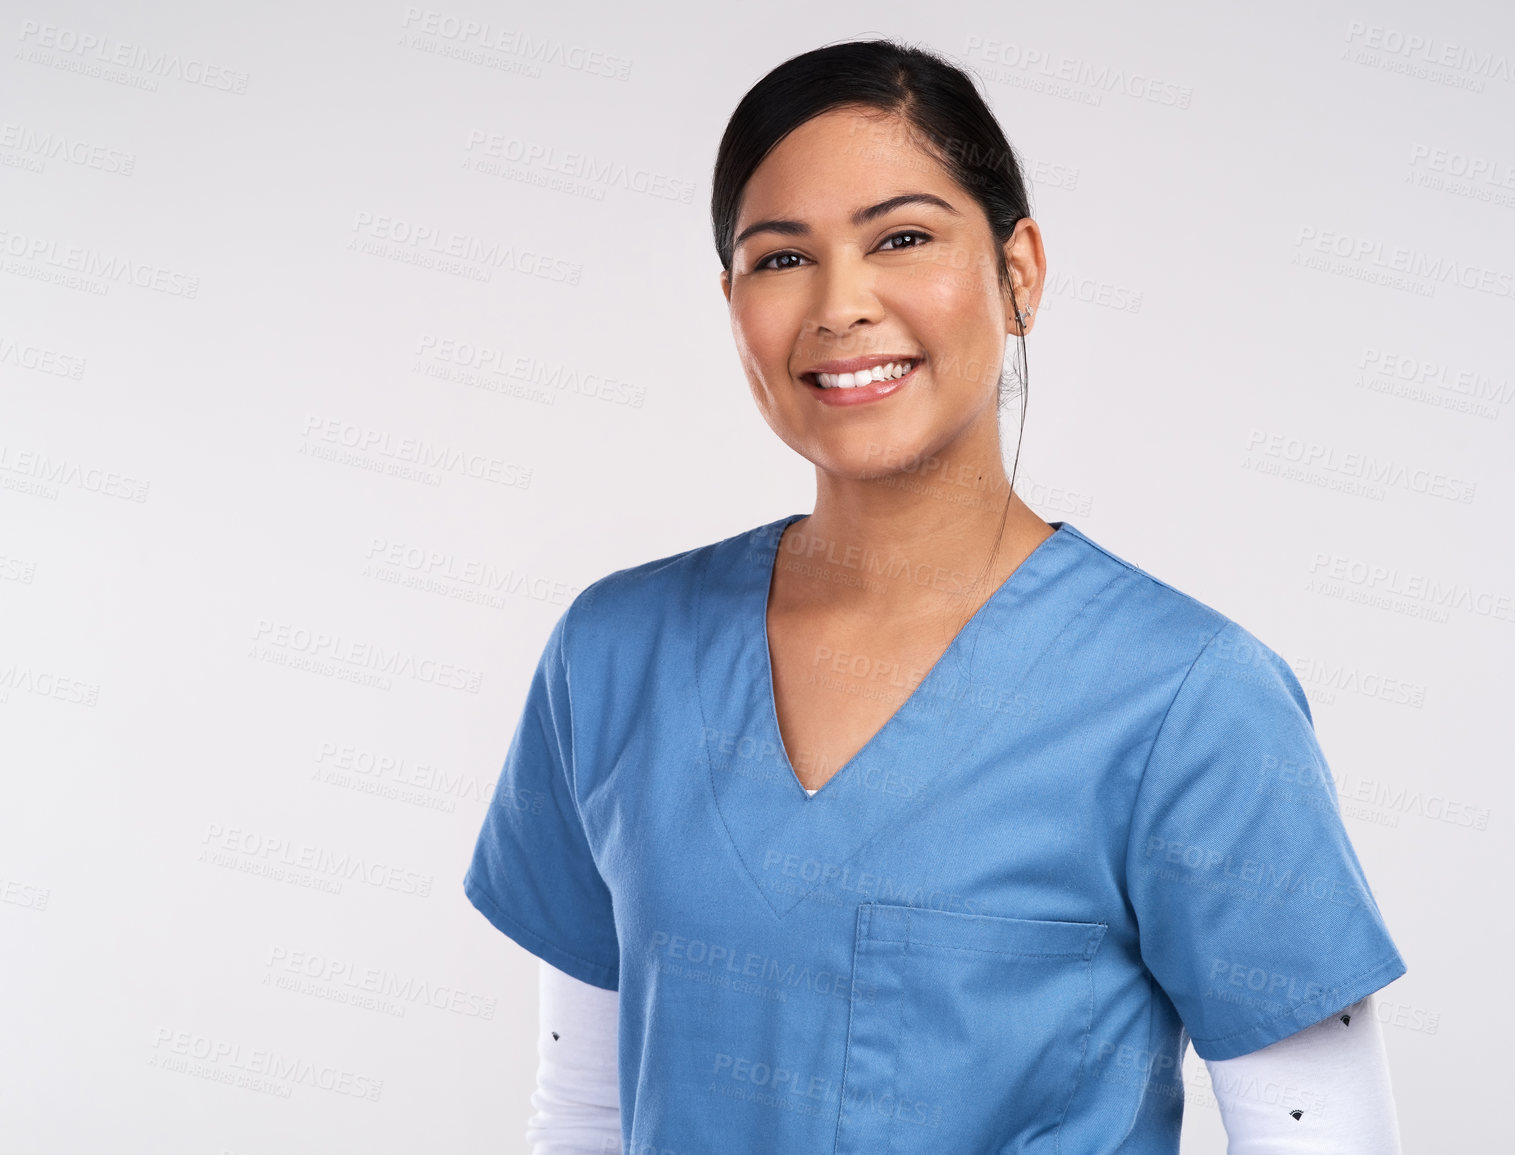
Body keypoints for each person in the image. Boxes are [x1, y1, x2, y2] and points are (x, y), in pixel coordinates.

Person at [464, 38, 1407, 1154]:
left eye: (902, 238)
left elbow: (1319, 1134)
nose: (839, 305)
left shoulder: (1188, 702)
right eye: (780, 259)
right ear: (733, 306)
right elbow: (584, 1113)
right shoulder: (614, 657)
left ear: (1021, 274)